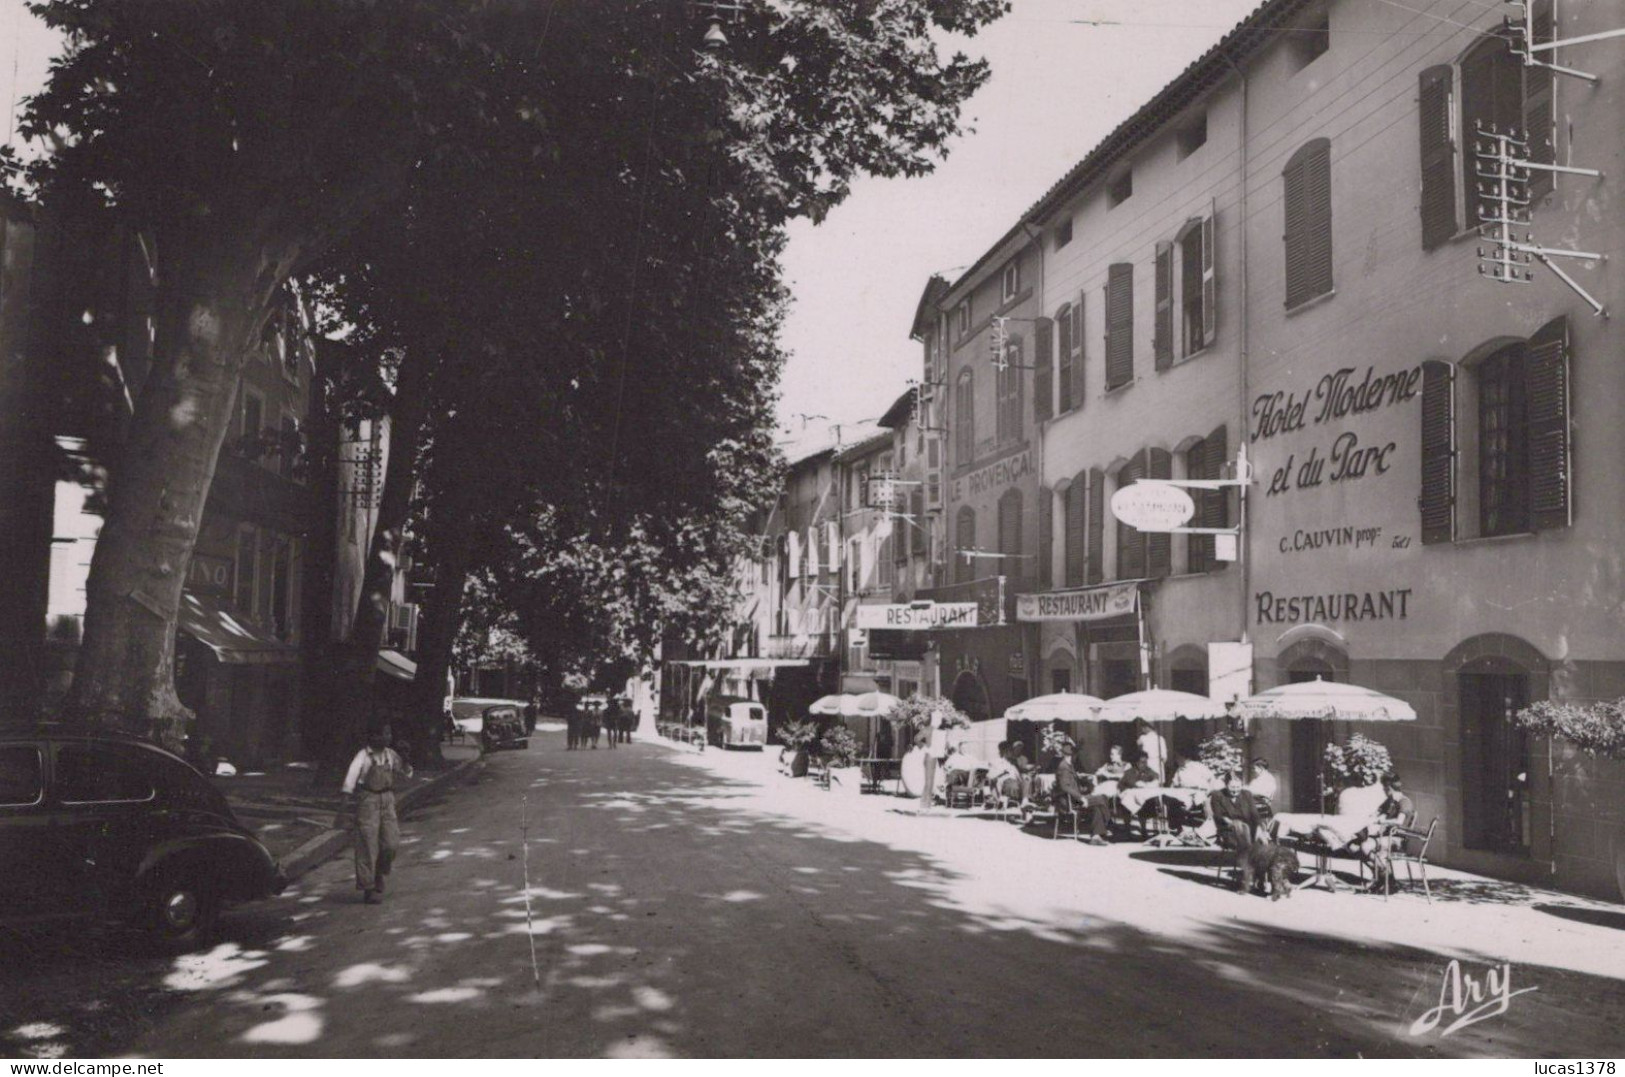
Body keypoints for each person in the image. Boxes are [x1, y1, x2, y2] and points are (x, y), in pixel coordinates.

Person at [341, 724, 414, 905]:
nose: (388, 737)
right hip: (368, 801)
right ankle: (368, 887)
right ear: (373, 737)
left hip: (387, 800)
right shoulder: (363, 756)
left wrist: (405, 758)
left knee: (391, 843)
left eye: (389, 733)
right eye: (384, 734)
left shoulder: (391, 755)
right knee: (367, 845)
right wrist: (343, 808)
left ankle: (379, 872)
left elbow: (406, 773)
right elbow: (350, 781)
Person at [1352, 774, 1416, 892]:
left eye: (1385, 788)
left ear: (1389, 788)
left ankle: (1386, 878)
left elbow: (1399, 821)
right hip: (1385, 837)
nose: (1384, 791)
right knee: (1354, 848)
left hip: (1397, 839)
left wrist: (1383, 820)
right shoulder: (1390, 801)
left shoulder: (1404, 802)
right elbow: (1377, 813)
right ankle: (1383, 878)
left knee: (1365, 847)